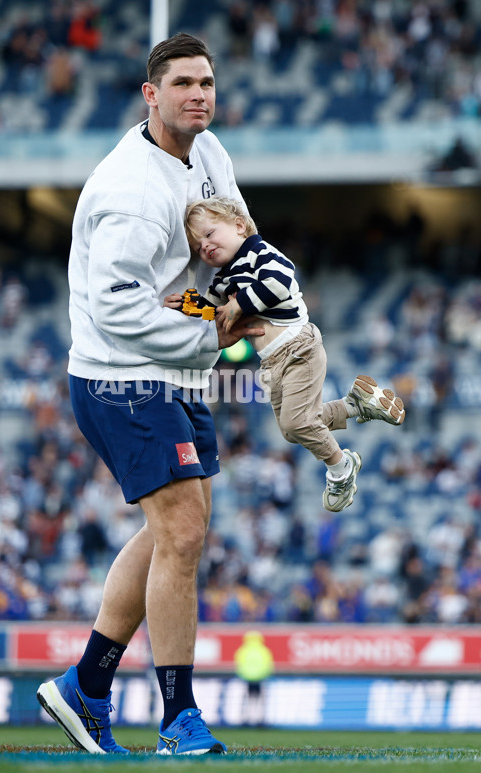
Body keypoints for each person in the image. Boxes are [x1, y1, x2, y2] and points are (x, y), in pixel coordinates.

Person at [36, 33, 264, 756]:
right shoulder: (132, 190)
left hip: (173, 372)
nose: (199, 94)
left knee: (177, 530)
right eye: (184, 83)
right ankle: (178, 718)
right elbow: (121, 309)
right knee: (184, 531)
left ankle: (85, 687)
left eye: (207, 82)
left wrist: (258, 286)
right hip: (121, 375)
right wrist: (218, 325)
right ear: (151, 94)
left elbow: (233, 239)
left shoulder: (211, 153)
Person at [165, 195, 405, 512]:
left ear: (239, 225)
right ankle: (354, 404)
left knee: (297, 423)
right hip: (272, 361)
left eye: (209, 234)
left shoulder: (258, 252)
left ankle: (341, 467)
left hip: (297, 347)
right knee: (294, 430)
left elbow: (281, 281)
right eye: (198, 247)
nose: (205, 247)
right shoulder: (224, 278)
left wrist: (241, 303)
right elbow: (216, 311)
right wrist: (190, 306)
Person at [234, 630, 274, 725]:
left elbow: (238, 664)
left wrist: (243, 675)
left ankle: (247, 718)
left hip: (247, 678)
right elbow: (268, 665)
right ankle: (259, 719)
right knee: (259, 700)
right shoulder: (264, 650)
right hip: (260, 678)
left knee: (248, 699)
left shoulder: (243, 650)